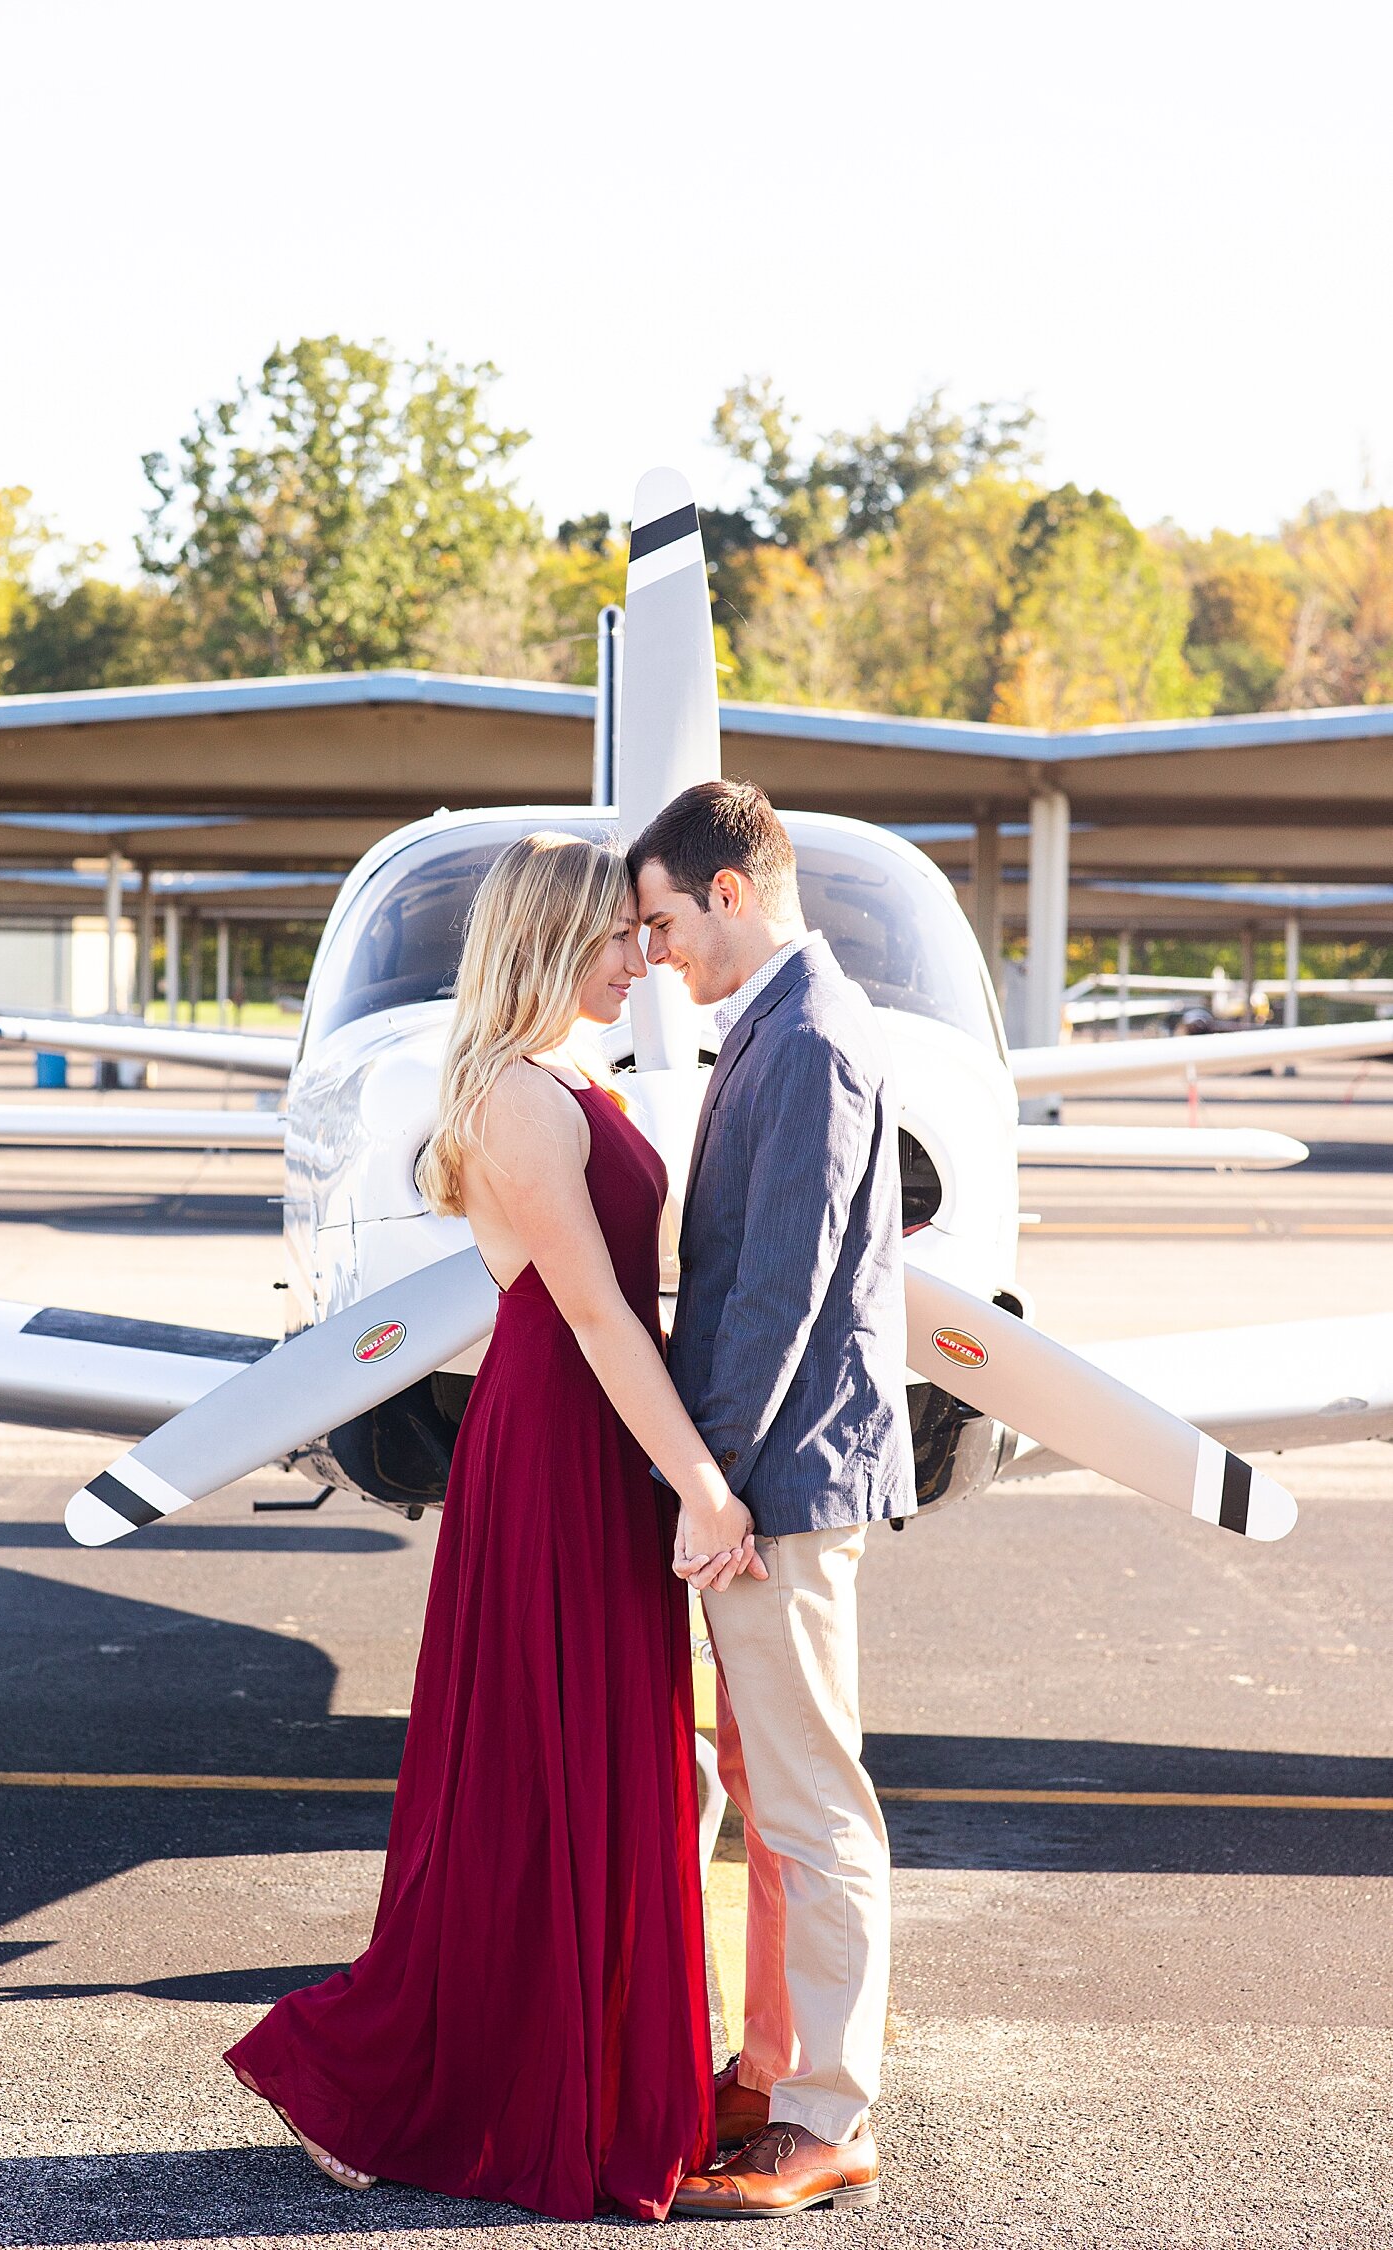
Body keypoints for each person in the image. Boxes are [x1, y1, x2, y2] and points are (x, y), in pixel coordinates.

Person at [225, 832, 764, 2221]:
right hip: (562, 1437)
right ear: (547, 938)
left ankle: (584, 2072)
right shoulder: (520, 1099)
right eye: (615, 936)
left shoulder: (570, 1079)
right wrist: (702, 1486)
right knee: (538, 1774)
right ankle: (370, 2076)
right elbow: (592, 1312)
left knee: (589, 1765)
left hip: (599, 1433)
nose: (639, 958)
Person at [630, 779, 914, 2221]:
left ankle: (828, 2112)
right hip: (777, 1480)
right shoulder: (783, 1027)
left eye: (666, 918)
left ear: (729, 891)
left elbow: (777, 1294)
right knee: (771, 1788)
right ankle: (778, 2068)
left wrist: (710, 1481)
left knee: (810, 1803)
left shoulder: (806, 1036)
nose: (658, 951)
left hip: (783, 1486)